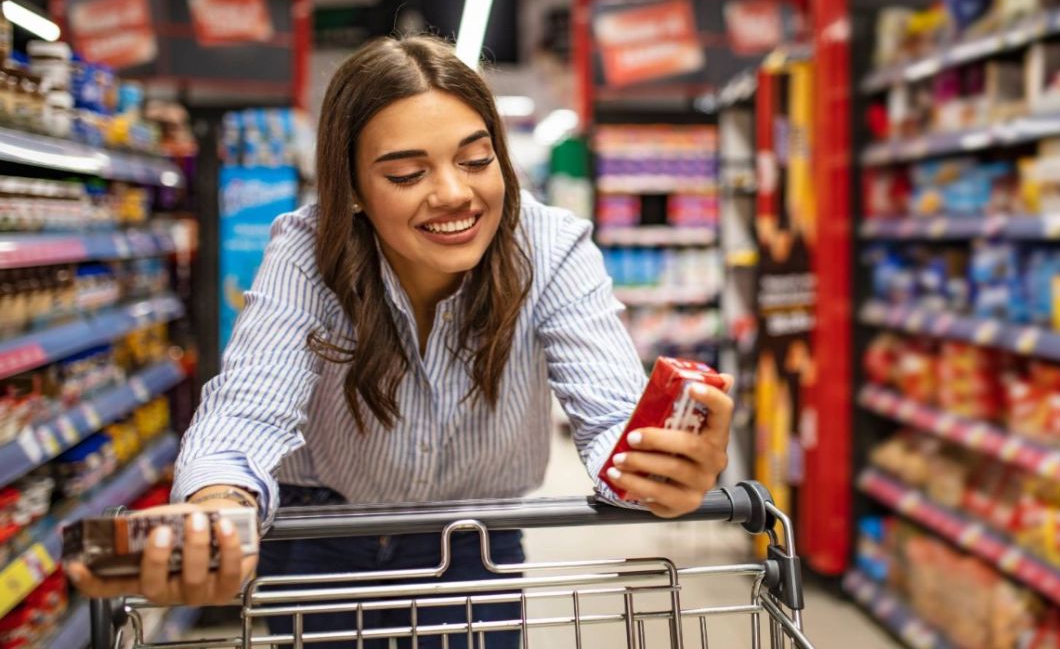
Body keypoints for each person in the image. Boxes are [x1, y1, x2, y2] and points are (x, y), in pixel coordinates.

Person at [68, 35, 734, 648]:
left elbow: (612, 413)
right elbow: (247, 409)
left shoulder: (552, 248)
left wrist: (653, 467)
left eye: (477, 160)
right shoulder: (307, 251)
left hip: (474, 544)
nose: (454, 194)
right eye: (406, 174)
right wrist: (214, 509)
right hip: (319, 540)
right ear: (352, 188)